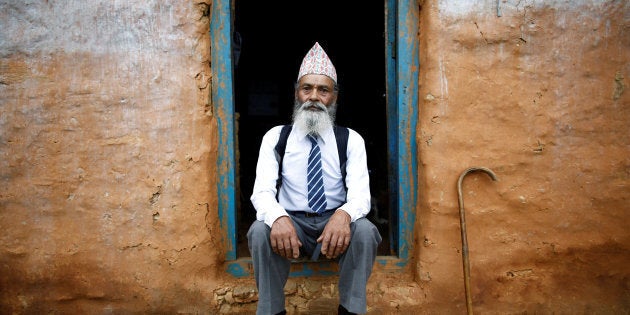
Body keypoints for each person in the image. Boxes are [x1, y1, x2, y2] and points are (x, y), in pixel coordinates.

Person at [247, 42, 382, 315]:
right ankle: (272, 311)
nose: (314, 97)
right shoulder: (276, 137)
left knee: (366, 231)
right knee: (259, 231)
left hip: (334, 225)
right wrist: (279, 218)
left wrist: (343, 216)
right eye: (306, 88)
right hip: (291, 223)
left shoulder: (350, 140)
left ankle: (351, 310)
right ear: (297, 93)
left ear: (334, 97)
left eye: (323, 90)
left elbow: (360, 196)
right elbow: (261, 191)